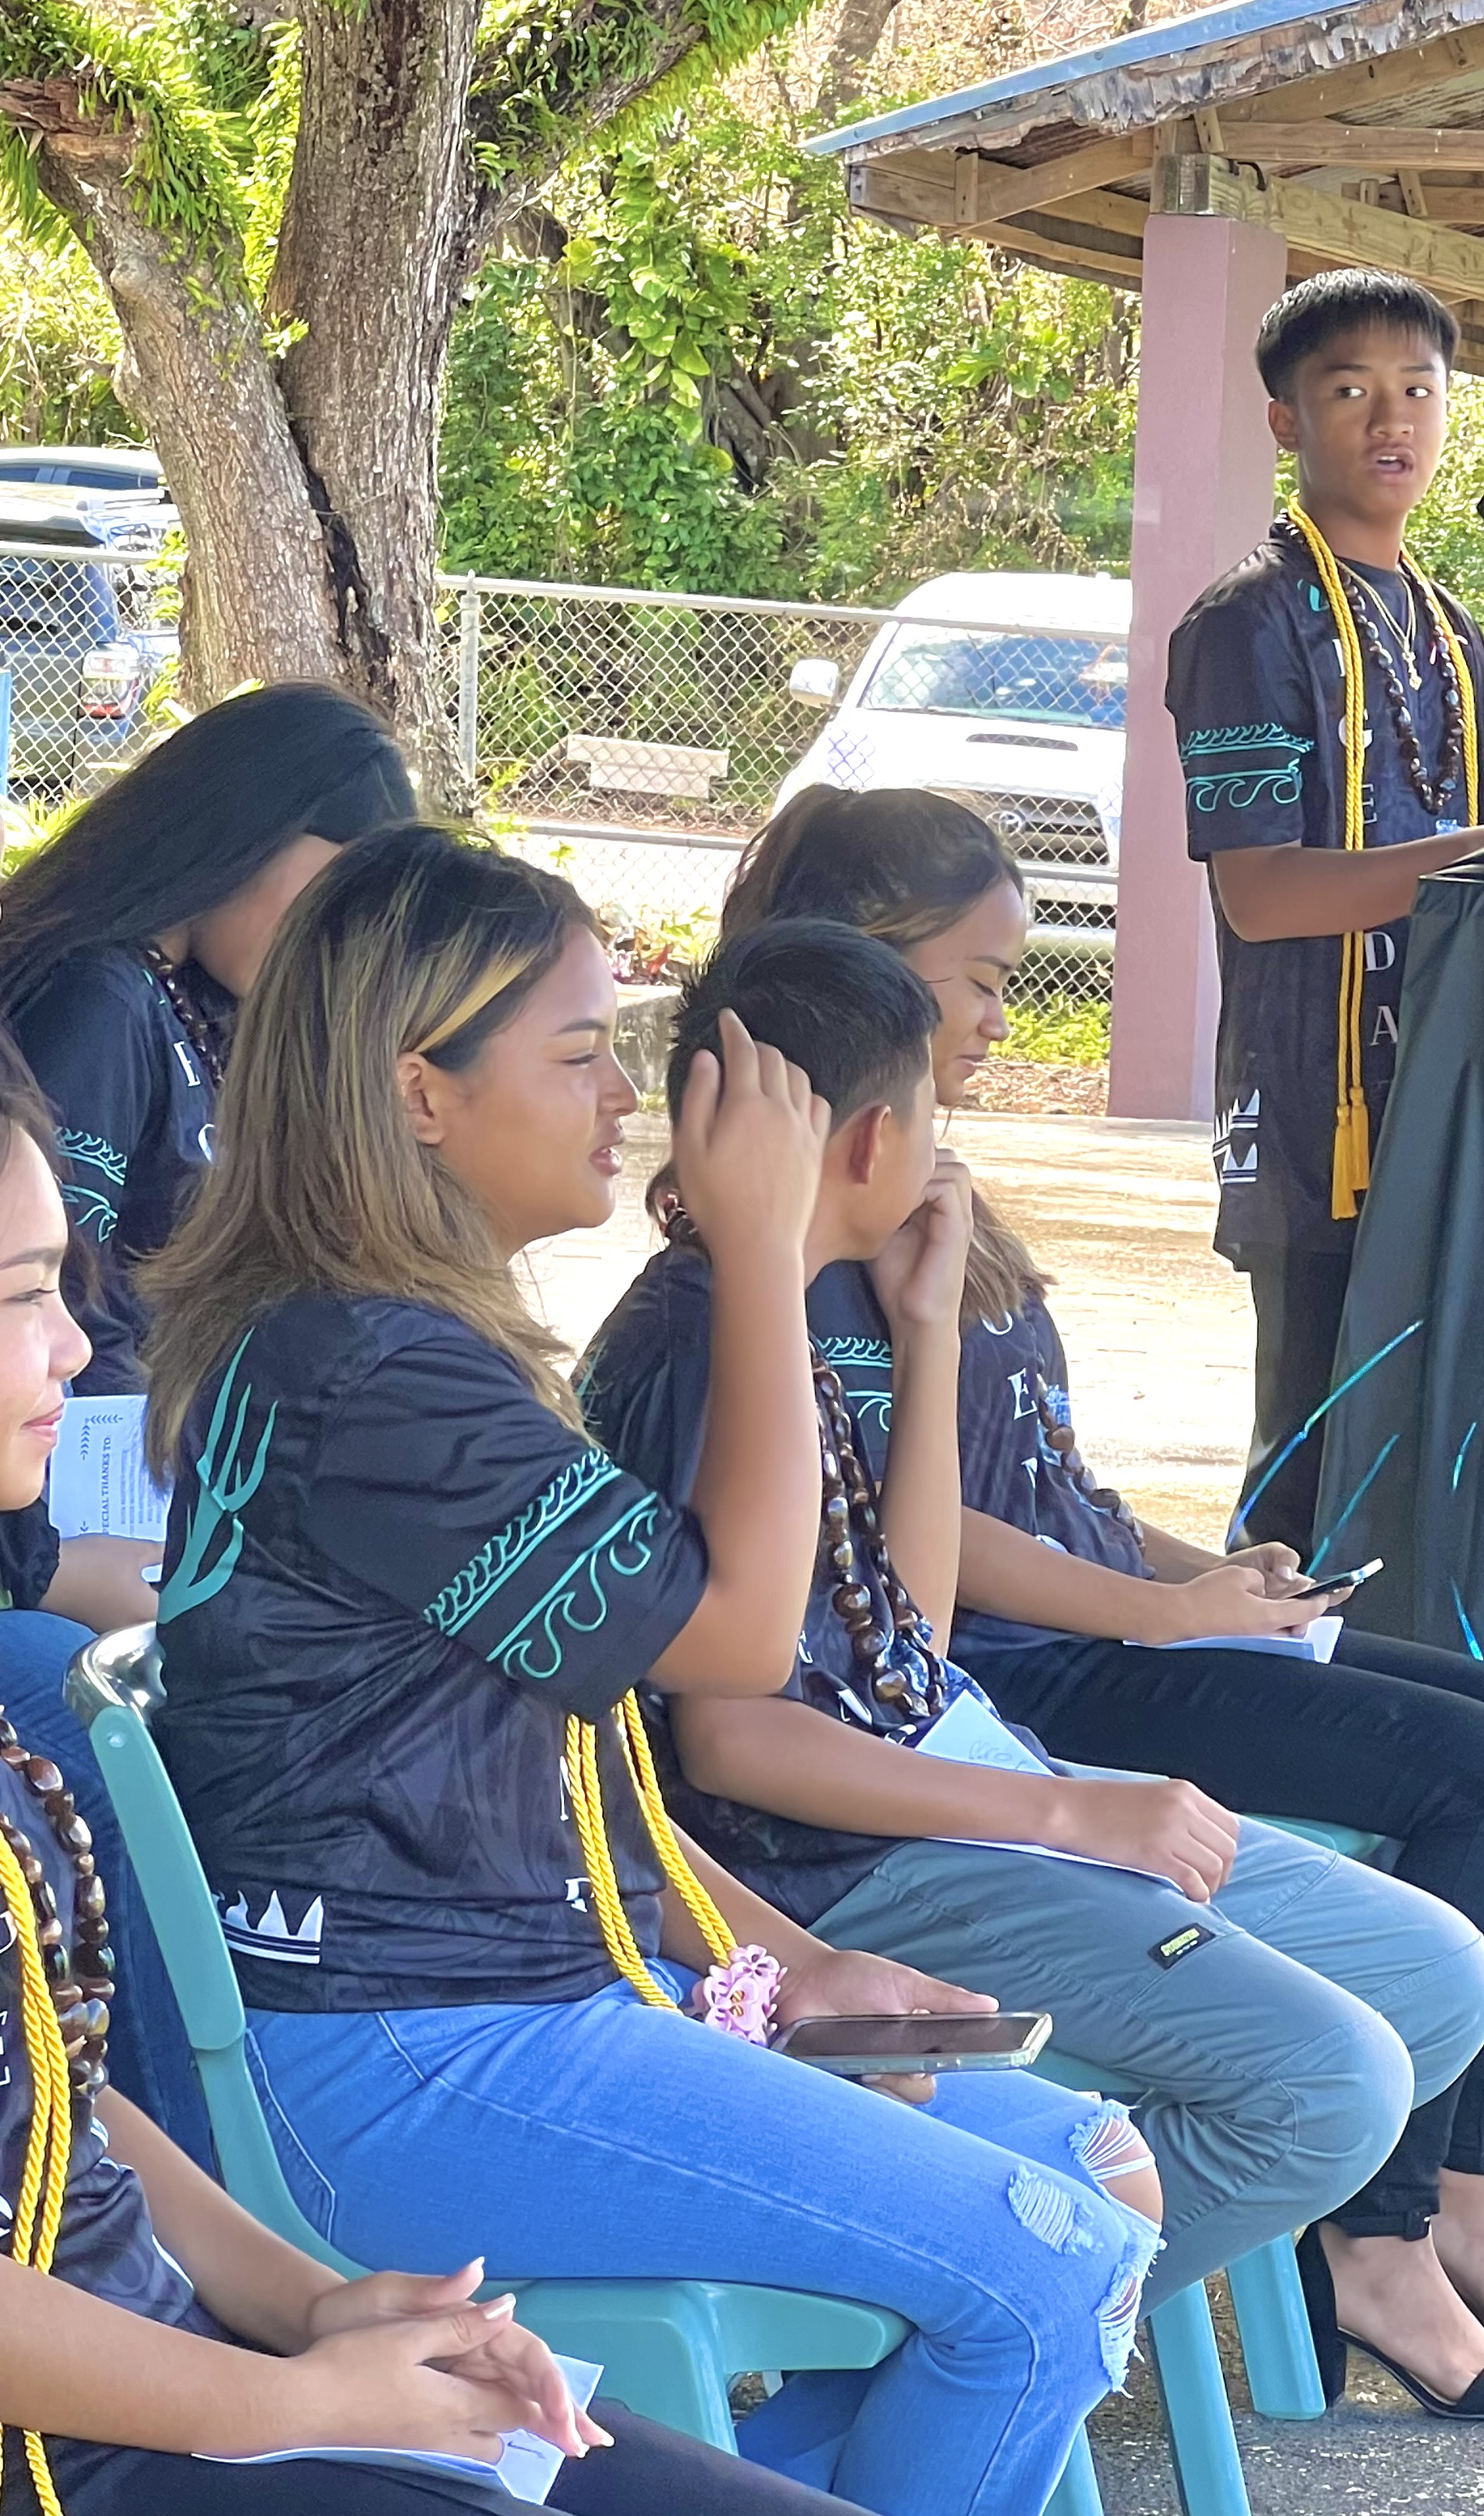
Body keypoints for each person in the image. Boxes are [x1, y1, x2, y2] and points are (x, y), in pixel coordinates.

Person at [139, 825, 1160, 2516]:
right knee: (1043, 2261)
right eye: (577, 1050)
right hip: (402, 2052)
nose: (627, 1091)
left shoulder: (383, 1335)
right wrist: (760, 1251)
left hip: (471, 2003)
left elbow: (550, 1771)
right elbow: (741, 1637)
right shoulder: (375, 1370)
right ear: (419, 1094)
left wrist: (788, 1958)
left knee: (1086, 2176)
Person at [713, 786, 1484, 2423]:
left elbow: (1013, 1495)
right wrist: (1148, 1635)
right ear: (872, 986)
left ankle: (1443, 2198)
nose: (1002, 1015)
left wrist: (1195, 1573)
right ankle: (1369, 2240)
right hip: (1017, 1694)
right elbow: (861, 1624)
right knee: (1483, 1782)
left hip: (998, 1692)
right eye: (979, 979)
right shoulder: (760, 1291)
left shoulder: (915, 1225)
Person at [578, 915, 1484, 2331]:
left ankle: (1034, 2297)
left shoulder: (808, 1298)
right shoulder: (698, 1339)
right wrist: (1060, 1815)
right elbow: (735, 1736)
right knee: (1332, 2084)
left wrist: (935, 1326)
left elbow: (910, 1630)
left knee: (1435, 1974)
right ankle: (963, 2325)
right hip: (855, 1864)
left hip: (953, 1778)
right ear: (871, 1136)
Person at [0, 1021, 876, 2516]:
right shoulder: (366, 1373)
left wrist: (315, 2305)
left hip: (179, 2371)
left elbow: (62, 2106)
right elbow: (738, 1641)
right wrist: (278, 2396)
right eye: (25, 1296)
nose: (78, 1345)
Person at [1165, 267, 1484, 1552]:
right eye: (1348, 390)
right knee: (1315, 1452)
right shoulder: (1247, 619)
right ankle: (1258, 1700)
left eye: (1417, 390)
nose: (1390, 417)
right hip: (1311, 1106)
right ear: (1286, 421)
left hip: (1445, 1099)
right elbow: (1264, 894)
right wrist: (1475, 852)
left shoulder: (1444, 625)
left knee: (1432, 1452)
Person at [0, 681, 413, 1630]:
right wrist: (63, 1562)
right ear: (249, 829)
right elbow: (59, 1295)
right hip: (80, 1504)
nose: (333, 947)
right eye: (332, 899)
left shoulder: (190, 1003)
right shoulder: (100, 996)